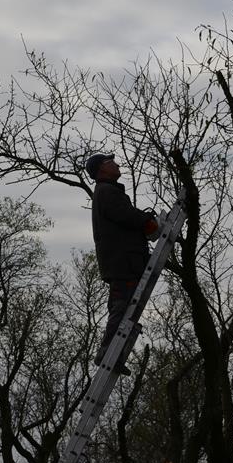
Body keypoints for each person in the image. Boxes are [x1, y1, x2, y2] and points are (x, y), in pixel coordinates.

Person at [86, 153, 159, 376]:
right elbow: (125, 215)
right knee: (120, 306)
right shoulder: (107, 192)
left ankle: (113, 355)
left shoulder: (108, 192)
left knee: (122, 307)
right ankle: (107, 353)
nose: (116, 164)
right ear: (101, 170)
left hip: (124, 261)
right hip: (122, 262)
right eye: (110, 162)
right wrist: (147, 221)